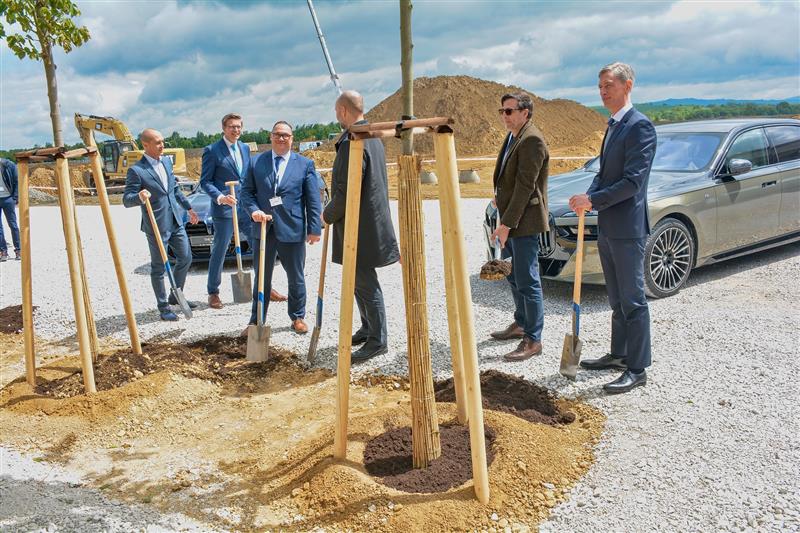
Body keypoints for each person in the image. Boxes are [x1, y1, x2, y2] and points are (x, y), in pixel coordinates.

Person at [569, 62, 657, 394]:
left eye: (609, 85)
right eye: (600, 87)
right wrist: (587, 197)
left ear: (627, 85)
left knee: (633, 300)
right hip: (608, 225)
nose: (603, 92)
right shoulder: (614, 125)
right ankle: (620, 354)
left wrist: (594, 200)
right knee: (617, 299)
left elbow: (632, 182)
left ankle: (637, 368)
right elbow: (605, 174)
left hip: (627, 228)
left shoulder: (639, 126)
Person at [322, 90, 399, 362]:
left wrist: (326, 215)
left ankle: (378, 340)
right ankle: (368, 328)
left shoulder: (353, 141)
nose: (337, 116)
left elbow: (347, 191)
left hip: (360, 226)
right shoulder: (372, 136)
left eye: (337, 112)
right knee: (358, 280)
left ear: (344, 111)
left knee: (365, 282)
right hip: (368, 221)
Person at [240, 121, 322, 335]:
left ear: (292, 139)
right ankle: (256, 321)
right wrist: (254, 211)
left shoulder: (304, 164)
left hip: (292, 228)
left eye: (286, 135)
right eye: (277, 134)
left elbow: (313, 199)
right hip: (263, 228)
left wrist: (315, 228)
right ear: (271, 136)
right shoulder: (255, 162)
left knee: (296, 276)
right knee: (261, 278)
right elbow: (246, 193)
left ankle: (297, 317)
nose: (281, 138)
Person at [200, 113, 287, 307]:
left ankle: (265, 286)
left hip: (247, 207)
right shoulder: (212, 150)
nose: (236, 130)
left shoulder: (245, 148)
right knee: (220, 249)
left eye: (239, 126)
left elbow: (249, 176)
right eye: (232, 126)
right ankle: (213, 292)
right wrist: (220, 197)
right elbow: (205, 181)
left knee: (259, 246)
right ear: (224, 128)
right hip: (225, 208)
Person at [488, 92, 550, 362]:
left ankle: (533, 339)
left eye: (509, 111)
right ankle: (522, 323)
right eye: (502, 111)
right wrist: (499, 199)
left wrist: (506, 224)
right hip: (512, 219)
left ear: (525, 112)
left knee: (527, 279)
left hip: (524, 222)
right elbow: (509, 179)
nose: (504, 116)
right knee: (513, 275)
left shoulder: (532, 140)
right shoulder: (514, 136)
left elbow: (526, 187)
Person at [123, 129, 199, 321]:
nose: (162, 145)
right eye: (157, 142)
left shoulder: (166, 162)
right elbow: (127, 199)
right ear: (145, 145)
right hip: (156, 224)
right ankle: (164, 307)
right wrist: (140, 196)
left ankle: (176, 295)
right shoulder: (137, 170)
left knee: (186, 257)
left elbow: (174, 189)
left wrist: (189, 208)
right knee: (158, 267)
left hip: (175, 220)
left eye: (162, 141)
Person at [0, 157, 20, 261]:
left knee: (13, 225)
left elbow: (17, 181)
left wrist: (15, 198)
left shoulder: (9, 165)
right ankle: (3, 251)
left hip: (8, 199)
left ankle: (18, 250)